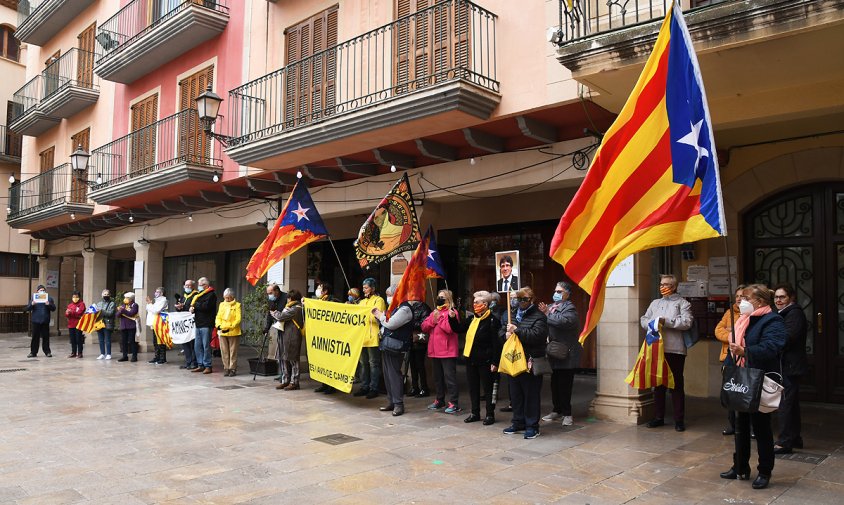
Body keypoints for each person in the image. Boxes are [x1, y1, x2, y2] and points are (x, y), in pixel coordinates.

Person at [720, 284, 786, 490]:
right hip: (740, 377)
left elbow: (773, 346)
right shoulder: (742, 319)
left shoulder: (772, 320)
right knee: (739, 425)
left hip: (758, 378)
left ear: (760, 301)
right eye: (740, 297)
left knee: (761, 427)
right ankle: (740, 466)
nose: (741, 301)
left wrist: (745, 351)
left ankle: (764, 471)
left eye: (746, 297)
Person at [641, 274, 693, 432]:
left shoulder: (683, 303)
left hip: (675, 349)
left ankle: (679, 420)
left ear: (674, 286)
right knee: (658, 384)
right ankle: (659, 417)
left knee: (676, 384)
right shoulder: (655, 303)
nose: (663, 286)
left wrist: (667, 321)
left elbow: (687, 322)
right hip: (656, 348)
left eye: (667, 284)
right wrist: (651, 324)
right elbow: (644, 318)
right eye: (661, 284)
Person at [500, 286, 548, 439]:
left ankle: (532, 425)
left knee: (531, 395)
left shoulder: (539, 317)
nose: (521, 302)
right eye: (518, 299)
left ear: (532, 300)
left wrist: (517, 330)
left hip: (529, 361)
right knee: (516, 395)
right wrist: (505, 334)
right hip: (514, 360)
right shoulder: (511, 314)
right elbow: (501, 331)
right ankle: (518, 422)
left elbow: (537, 336)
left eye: (524, 299)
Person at [540, 281, 582, 427]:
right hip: (553, 352)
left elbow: (564, 322)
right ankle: (556, 410)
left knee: (565, 384)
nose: (556, 294)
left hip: (566, 353)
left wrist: (546, 314)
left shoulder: (570, 308)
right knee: (554, 384)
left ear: (567, 294)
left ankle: (567, 414)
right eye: (555, 291)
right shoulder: (551, 307)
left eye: (559, 291)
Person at [773, 283, 808, 455]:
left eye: (782, 297)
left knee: (785, 403)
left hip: (790, 365)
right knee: (791, 403)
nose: (778, 300)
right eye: (776, 297)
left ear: (791, 298)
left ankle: (785, 441)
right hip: (787, 364)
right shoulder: (784, 313)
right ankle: (795, 438)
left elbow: (787, 337)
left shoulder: (794, 314)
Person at [457, 290, 502, 425]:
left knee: (488, 388)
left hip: (486, 359)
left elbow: (496, 343)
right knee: (473, 387)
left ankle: (489, 414)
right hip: (471, 359)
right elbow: (458, 329)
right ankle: (475, 412)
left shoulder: (492, 320)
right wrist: (452, 317)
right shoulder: (472, 319)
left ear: (485, 304)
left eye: (477, 302)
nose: (474, 304)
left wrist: (495, 361)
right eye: (474, 302)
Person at [373, 286, 415, 416]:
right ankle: (391, 401)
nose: (388, 297)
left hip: (396, 346)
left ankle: (398, 404)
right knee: (387, 374)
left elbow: (391, 323)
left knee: (394, 374)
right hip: (387, 345)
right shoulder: (396, 307)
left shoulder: (405, 309)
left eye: (390, 294)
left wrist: (380, 316)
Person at [421, 289, 462, 414]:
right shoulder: (435, 311)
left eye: (442, 297)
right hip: (434, 350)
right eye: (439, 297)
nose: (439, 299)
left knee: (449, 378)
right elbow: (424, 327)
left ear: (448, 300)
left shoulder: (452, 312)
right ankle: (439, 400)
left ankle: (454, 402)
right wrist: (433, 319)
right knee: (437, 378)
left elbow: (450, 329)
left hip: (447, 350)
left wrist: (438, 319)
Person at [715, 285, 747, 436]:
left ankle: (749, 426)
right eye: (738, 296)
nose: (740, 298)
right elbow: (718, 330)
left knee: (746, 391)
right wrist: (732, 336)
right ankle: (732, 424)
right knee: (730, 390)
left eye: (743, 295)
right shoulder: (729, 313)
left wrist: (732, 332)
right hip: (729, 356)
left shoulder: (750, 313)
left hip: (745, 356)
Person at [355, 278, 385, 399]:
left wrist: (366, 314)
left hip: (373, 337)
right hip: (362, 338)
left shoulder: (379, 300)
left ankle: (374, 388)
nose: (364, 290)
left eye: (366, 287)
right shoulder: (361, 302)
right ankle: (364, 386)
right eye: (363, 288)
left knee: (373, 364)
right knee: (363, 363)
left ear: (373, 288)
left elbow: (376, 317)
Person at [275, 289, 304, 390]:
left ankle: (294, 382)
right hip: (285, 336)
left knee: (293, 359)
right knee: (283, 358)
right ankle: (285, 380)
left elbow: (281, 317)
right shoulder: (290, 307)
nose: (287, 300)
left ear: (291, 298)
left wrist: (275, 313)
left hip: (293, 337)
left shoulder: (297, 308)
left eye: (288, 298)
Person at [314, 282, 341, 394]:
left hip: (331, 335)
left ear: (325, 291)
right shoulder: (319, 302)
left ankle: (332, 386)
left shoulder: (333, 301)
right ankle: (324, 384)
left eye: (319, 288)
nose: (317, 290)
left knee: (331, 362)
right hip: (322, 335)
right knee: (323, 362)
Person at [190, 277, 217, 374]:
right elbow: (196, 305)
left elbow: (206, 306)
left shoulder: (211, 294)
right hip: (198, 323)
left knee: (206, 346)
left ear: (205, 285)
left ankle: (208, 365)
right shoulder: (198, 295)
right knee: (197, 346)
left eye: (200, 285)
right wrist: (193, 308)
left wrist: (196, 305)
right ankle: (200, 364)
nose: (199, 287)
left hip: (207, 323)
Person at [407, 295, 432, 398]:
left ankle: (424, 388)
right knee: (412, 365)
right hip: (410, 339)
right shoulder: (410, 307)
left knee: (420, 365)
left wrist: (410, 323)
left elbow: (424, 324)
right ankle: (414, 387)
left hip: (419, 340)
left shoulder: (424, 308)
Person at [215, 288, 242, 377]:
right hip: (222, 331)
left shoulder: (237, 305)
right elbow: (218, 317)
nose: (226, 299)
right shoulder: (222, 304)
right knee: (224, 351)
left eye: (228, 298)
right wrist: (218, 325)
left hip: (233, 331)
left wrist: (229, 327)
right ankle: (226, 368)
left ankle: (232, 368)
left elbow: (238, 319)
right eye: (225, 297)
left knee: (233, 351)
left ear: (232, 297)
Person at [25, 285, 56, 358]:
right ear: (37, 291)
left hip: (45, 321)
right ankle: (33, 352)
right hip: (36, 321)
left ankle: (47, 352)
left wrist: (49, 304)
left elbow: (53, 308)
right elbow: (27, 308)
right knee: (35, 337)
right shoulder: (34, 298)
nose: (42, 291)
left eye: (43, 290)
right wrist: (32, 304)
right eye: (40, 290)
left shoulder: (49, 298)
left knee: (46, 337)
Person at [175, 279, 199, 370]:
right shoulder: (183, 296)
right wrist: (178, 307)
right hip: (184, 323)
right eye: (186, 285)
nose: (187, 287)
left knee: (192, 343)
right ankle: (188, 362)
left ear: (193, 286)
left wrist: (184, 307)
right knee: (185, 343)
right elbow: (181, 307)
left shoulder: (196, 295)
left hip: (192, 323)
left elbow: (194, 307)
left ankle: (194, 362)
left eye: (189, 286)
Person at [263, 283, 287, 373]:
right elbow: (269, 314)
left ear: (276, 291)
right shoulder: (271, 300)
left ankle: (286, 374)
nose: (269, 295)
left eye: (270, 293)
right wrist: (266, 328)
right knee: (280, 351)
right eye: (268, 293)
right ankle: (282, 373)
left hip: (287, 328)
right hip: (278, 327)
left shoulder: (285, 298)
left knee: (285, 352)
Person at [145, 287, 169, 364]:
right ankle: (157, 356)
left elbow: (156, 310)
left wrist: (149, 304)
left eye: (158, 292)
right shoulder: (156, 301)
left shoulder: (163, 300)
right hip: (154, 323)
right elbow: (150, 309)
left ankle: (162, 358)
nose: (156, 293)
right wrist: (150, 304)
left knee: (160, 340)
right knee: (155, 341)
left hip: (160, 323)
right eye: (155, 291)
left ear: (162, 293)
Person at [115, 292, 139, 362]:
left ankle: (134, 356)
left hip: (131, 326)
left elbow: (131, 313)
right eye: (125, 298)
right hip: (123, 326)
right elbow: (117, 315)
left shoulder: (135, 305)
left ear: (131, 299)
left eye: (127, 298)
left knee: (132, 341)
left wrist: (122, 310)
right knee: (123, 342)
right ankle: (124, 356)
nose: (125, 299)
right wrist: (121, 311)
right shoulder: (123, 305)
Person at [95, 290, 116, 360]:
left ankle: (109, 354)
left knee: (107, 340)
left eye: (107, 294)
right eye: (104, 294)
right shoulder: (98, 303)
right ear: (102, 295)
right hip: (99, 324)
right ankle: (102, 353)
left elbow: (110, 313)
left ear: (110, 295)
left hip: (107, 324)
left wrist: (101, 311)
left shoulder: (112, 303)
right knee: (101, 340)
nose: (106, 295)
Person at [65, 290, 86, 358]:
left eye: (76, 297)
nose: (75, 298)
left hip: (78, 324)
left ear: (79, 297)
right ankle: (73, 352)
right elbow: (67, 315)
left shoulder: (82, 304)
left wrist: (71, 312)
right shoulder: (70, 305)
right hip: (71, 324)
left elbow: (79, 313)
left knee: (78, 339)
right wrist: (67, 313)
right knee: (72, 339)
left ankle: (80, 353)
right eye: (73, 297)